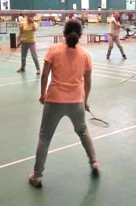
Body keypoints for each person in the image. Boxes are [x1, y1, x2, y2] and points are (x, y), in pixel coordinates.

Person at [28, 19, 99, 188]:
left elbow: (45, 75)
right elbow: (88, 82)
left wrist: (43, 94)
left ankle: (37, 176)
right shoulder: (85, 54)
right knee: (83, 131)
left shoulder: (53, 50)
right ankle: (94, 162)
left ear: (63, 33)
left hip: (54, 100)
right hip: (76, 102)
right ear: (80, 35)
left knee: (45, 138)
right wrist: (85, 101)